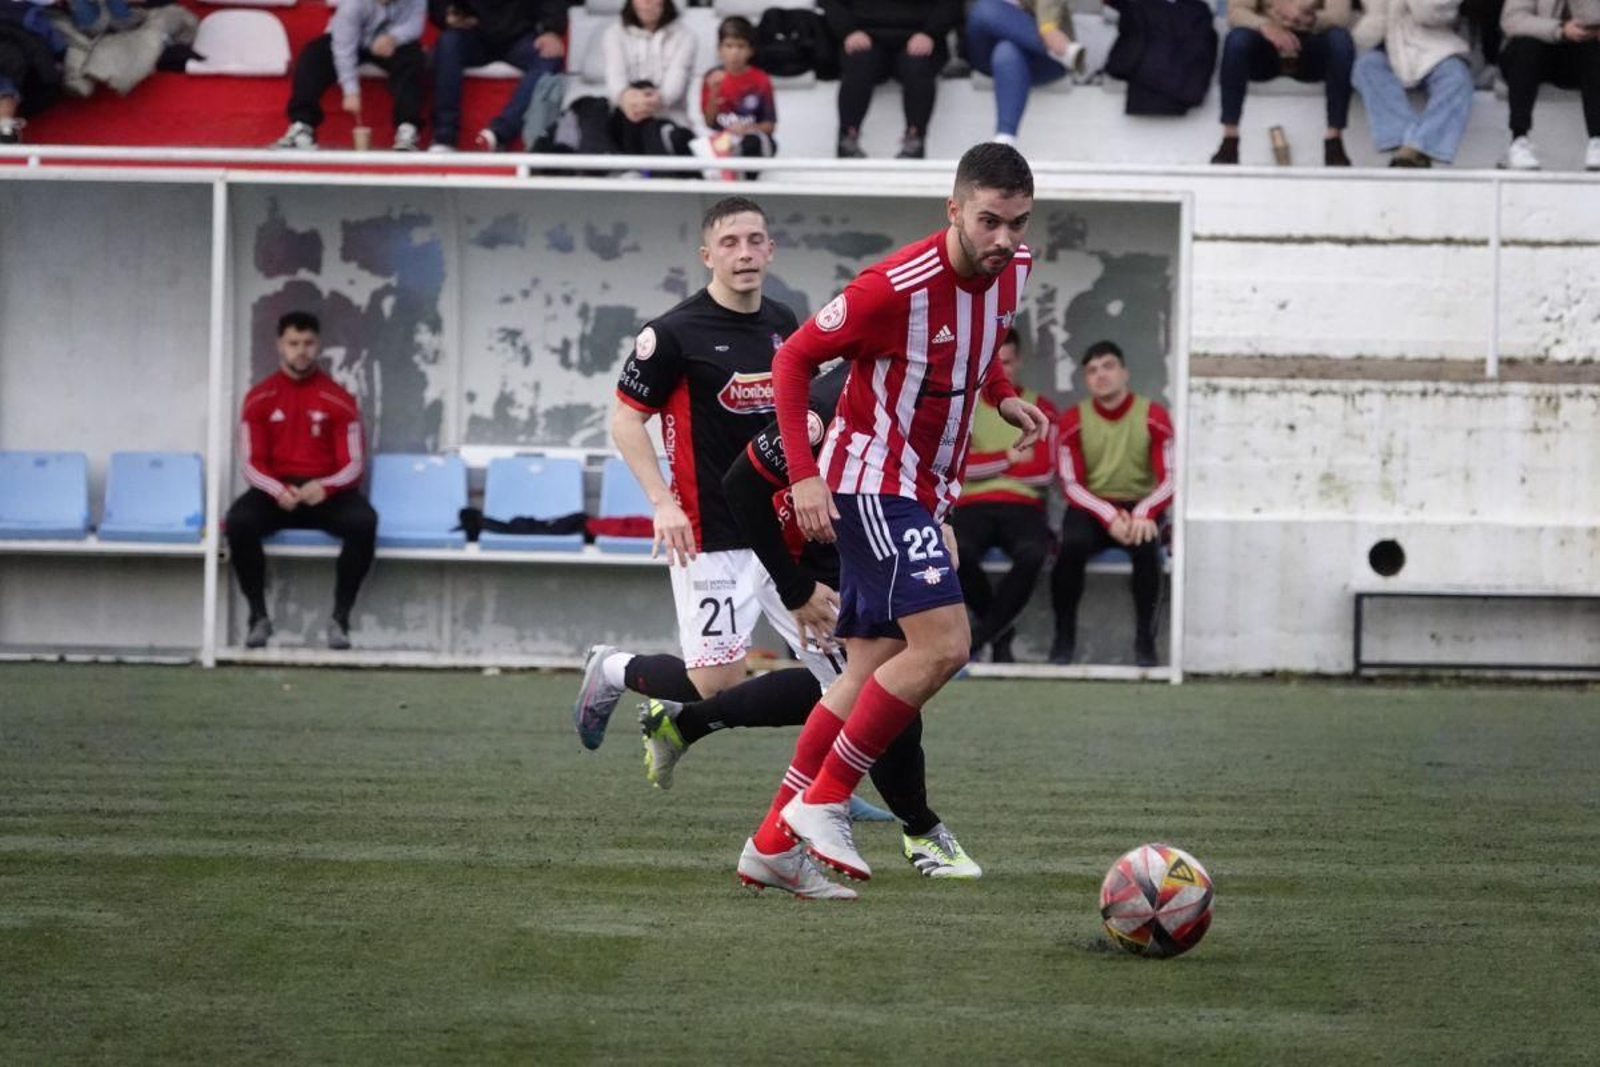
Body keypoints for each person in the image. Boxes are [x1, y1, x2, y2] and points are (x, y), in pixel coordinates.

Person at [746, 142, 1049, 890]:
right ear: (954, 209)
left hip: (924, 486)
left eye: (1016, 222)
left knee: (867, 669)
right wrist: (807, 475)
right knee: (945, 644)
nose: (1003, 239)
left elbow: (978, 351)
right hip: (873, 479)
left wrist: (1003, 394)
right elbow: (792, 362)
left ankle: (769, 845)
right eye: (988, 221)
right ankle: (825, 801)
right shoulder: (892, 287)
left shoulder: (1013, 267)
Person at [636, 363, 984, 897]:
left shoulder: (925, 376)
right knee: (878, 689)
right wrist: (795, 587)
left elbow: (923, 462)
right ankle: (915, 830)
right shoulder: (828, 401)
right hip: (804, 572)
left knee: (866, 684)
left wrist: (943, 519)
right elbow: (741, 483)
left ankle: (704, 746)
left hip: (859, 553)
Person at [573, 196, 846, 752]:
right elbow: (627, 422)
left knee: (843, 675)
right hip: (711, 532)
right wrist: (662, 502)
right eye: (729, 243)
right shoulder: (673, 333)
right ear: (707, 255)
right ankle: (613, 669)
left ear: (770, 249)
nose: (743, 253)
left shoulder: (783, 322)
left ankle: (824, 794)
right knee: (714, 683)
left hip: (783, 532)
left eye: (754, 241)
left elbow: (807, 412)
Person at [225, 312, 376, 651]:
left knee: (365, 522)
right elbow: (250, 462)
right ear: (280, 344)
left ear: (318, 344)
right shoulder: (259, 397)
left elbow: (354, 463)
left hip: (325, 493)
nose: (301, 351)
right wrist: (277, 489)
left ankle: (340, 619)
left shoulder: (339, 398)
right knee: (238, 522)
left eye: (308, 343)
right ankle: (258, 617)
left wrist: (326, 487)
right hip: (277, 493)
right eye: (294, 343)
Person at [1049, 341, 1173, 668]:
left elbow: (1170, 478)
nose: (1101, 375)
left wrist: (1144, 512)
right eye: (1092, 370)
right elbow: (1070, 483)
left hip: (1140, 507)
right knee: (1070, 545)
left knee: (1148, 547)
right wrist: (1108, 516)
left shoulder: (1154, 415)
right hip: (1093, 508)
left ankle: (1146, 644)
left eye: (1108, 366)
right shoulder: (1073, 419)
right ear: (1086, 380)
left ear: (1124, 372)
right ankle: (1063, 643)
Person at [950, 330, 1056, 663]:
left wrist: (986, 462)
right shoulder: (963, 406)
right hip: (972, 506)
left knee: (1033, 553)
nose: (1002, 371)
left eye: (1007, 363)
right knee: (956, 553)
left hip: (1024, 506)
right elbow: (958, 468)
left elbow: (1044, 471)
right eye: (995, 364)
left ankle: (981, 636)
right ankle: (1000, 631)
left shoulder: (1041, 406)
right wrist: (1008, 458)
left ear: (1019, 361)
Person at [1212, 0, 1355, 165]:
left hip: (1311, 41)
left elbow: (1341, 16)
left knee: (1340, 40)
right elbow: (1236, 12)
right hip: (1265, 43)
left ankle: (1334, 140)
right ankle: (1230, 139)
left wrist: (1308, 18)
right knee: (1236, 40)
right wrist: (1266, 26)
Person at [272, 0, 426, 152]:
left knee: (412, 59)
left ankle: (407, 128)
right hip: (351, 39)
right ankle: (303, 126)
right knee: (313, 56)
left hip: (391, 42)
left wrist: (394, 37)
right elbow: (343, 47)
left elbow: (415, 24)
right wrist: (350, 90)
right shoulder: (352, 4)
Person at [821, 0, 962, 159]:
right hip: (862, 37)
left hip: (921, 38)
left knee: (917, 65)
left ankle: (914, 140)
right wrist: (848, 31)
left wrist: (930, 33)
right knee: (859, 62)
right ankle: (847, 138)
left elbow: (951, 5)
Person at [427, 0, 571, 152]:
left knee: (550, 56)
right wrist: (447, 16)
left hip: (521, 36)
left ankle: (499, 134)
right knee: (448, 43)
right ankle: (444, 137)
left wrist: (551, 30)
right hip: (472, 33)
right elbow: (440, 7)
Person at [1351, 0, 1474, 168]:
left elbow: (1430, 14)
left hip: (1435, 44)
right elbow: (1367, 30)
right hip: (1387, 45)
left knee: (1457, 77)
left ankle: (1419, 145)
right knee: (1366, 67)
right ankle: (1407, 145)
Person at [965, 0, 1085, 145]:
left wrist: (1047, 28)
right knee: (984, 8)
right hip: (986, 52)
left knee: (1007, 50)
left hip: (1040, 60)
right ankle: (1062, 51)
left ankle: (1005, 140)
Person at [1497, 0, 1600, 170]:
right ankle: (1519, 139)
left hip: (1579, 57)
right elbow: (1512, 19)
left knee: (1594, 50)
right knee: (1527, 47)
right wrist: (1561, 29)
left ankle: (1597, 141)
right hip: (1533, 54)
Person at [600, 0, 698, 158]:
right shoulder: (614, 34)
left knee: (652, 123)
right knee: (637, 95)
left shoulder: (685, 36)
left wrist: (651, 101)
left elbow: (674, 86)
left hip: (668, 114)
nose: (647, 3)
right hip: (626, 113)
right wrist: (630, 99)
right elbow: (615, 82)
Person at [697, 15, 776, 177]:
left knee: (752, 143)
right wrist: (714, 92)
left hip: (752, 140)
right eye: (729, 46)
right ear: (720, 49)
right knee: (709, 145)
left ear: (751, 50)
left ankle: (747, 185)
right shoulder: (711, 77)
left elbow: (769, 125)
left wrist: (746, 129)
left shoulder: (760, 79)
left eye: (741, 46)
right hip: (722, 141)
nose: (734, 52)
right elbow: (709, 122)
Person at [0, 0, 65, 145]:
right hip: (12, 60)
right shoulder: (30, 12)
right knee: (7, 87)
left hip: (10, 58)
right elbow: (55, 41)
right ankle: (5, 129)